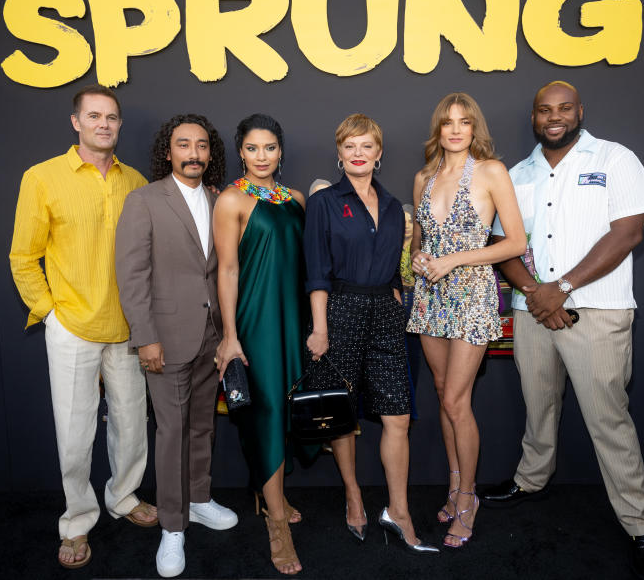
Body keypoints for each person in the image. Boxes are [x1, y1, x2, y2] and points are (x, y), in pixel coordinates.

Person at [483, 81, 644, 578]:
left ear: (580, 111)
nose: (554, 117)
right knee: (538, 404)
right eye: (545, 110)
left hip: (597, 312)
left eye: (564, 108)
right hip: (532, 312)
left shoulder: (614, 160)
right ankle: (531, 480)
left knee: (608, 418)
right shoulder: (517, 174)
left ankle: (641, 526)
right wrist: (541, 296)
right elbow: (503, 244)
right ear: (534, 117)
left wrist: (559, 288)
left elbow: (627, 232)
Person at [9, 85, 157, 570]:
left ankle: (124, 497)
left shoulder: (135, 181)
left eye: (111, 117)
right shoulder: (42, 177)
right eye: (94, 116)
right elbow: (23, 256)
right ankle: (76, 520)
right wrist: (50, 312)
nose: (104, 124)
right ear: (76, 122)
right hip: (71, 323)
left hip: (129, 327)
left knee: (133, 426)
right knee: (74, 435)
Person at [303, 114, 438, 554]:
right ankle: (354, 494)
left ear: (379, 154)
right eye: (349, 146)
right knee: (342, 413)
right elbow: (316, 272)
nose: (358, 154)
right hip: (339, 309)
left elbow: (395, 267)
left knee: (397, 414)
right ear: (339, 153)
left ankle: (398, 510)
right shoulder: (324, 202)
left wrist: (397, 295)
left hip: (386, 312)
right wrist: (319, 328)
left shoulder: (397, 204)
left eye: (366, 146)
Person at [115, 114, 238, 578]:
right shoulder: (144, 200)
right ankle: (172, 525)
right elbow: (132, 276)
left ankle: (200, 498)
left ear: (211, 154)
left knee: (203, 424)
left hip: (211, 336)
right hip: (164, 339)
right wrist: (145, 337)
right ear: (169, 152)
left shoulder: (218, 198)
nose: (194, 153)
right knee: (171, 432)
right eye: (184, 145)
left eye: (202, 145)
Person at [405, 92, 526, 548]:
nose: (455, 129)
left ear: (475, 128)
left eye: (464, 121)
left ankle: (469, 497)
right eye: (447, 122)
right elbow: (419, 237)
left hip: (473, 293)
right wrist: (419, 256)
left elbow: (514, 242)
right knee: (440, 392)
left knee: (457, 400)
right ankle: (455, 484)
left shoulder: (491, 171)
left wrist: (454, 259)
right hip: (431, 295)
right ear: (438, 129)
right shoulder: (423, 177)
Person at [213, 114, 315, 575]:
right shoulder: (231, 200)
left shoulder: (294, 199)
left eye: (269, 148)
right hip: (256, 320)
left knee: (289, 406)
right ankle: (277, 522)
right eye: (252, 148)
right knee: (270, 409)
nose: (261, 157)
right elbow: (228, 270)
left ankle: (268, 489)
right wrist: (230, 336)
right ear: (240, 152)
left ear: (280, 151)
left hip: (292, 318)